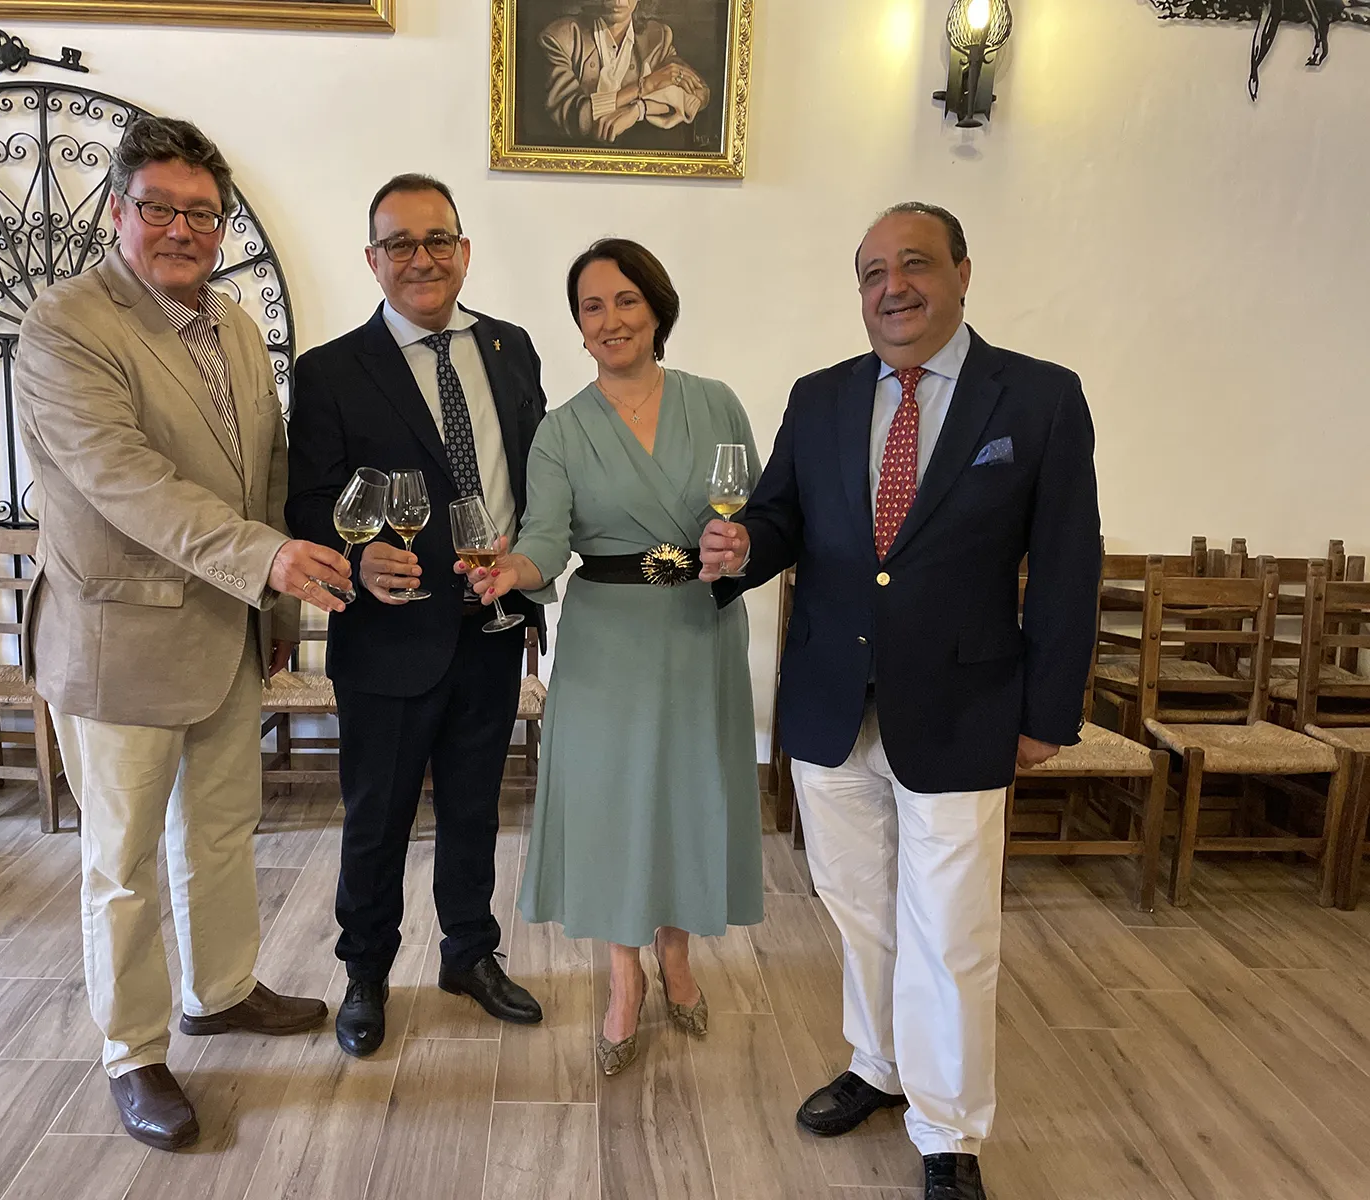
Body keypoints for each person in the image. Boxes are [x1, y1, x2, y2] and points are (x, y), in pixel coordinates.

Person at [702, 203, 1102, 1200]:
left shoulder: (1040, 399)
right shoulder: (822, 395)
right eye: (871, 271)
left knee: (951, 927)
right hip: (834, 702)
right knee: (858, 910)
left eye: (914, 264)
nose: (892, 287)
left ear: (963, 271)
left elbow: (1064, 565)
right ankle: (878, 1067)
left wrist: (1048, 713)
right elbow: (779, 515)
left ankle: (950, 1131)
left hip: (966, 707)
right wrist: (746, 547)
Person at [14, 115, 353, 1152]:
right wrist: (265, 562)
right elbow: (126, 482)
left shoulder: (239, 329)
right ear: (119, 210)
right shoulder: (65, 326)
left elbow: (265, 479)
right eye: (158, 207)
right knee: (120, 862)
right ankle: (134, 1049)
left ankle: (223, 989)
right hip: (119, 643)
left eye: (201, 213)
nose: (181, 229)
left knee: (216, 832)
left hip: (230, 637)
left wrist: (279, 611)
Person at [463, 238, 763, 1077]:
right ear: (579, 328)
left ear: (657, 308)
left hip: (699, 631)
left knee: (682, 797)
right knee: (614, 808)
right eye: (592, 306)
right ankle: (624, 978)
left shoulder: (717, 403)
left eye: (626, 300)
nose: (611, 319)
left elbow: (758, 517)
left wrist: (739, 543)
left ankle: (678, 958)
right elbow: (545, 543)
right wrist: (508, 571)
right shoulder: (560, 431)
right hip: (605, 640)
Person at [287, 174, 547, 1059]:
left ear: (465, 251)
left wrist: (531, 567)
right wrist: (354, 554)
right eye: (399, 243)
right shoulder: (328, 371)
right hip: (390, 637)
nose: (421, 258)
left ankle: (470, 956)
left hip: (489, 626)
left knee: (476, 810)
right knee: (379, 817)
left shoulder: (513, 350)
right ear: (372, 260)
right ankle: (365, 974)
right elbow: (310, 498)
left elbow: (534, 476)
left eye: (438, 240)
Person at [541, 0, 711, 144]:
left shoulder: (657, 37)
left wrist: (639, 109)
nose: (618, 1)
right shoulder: (560, 37)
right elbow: (574, 117)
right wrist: (644, 86)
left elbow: (698, 93)